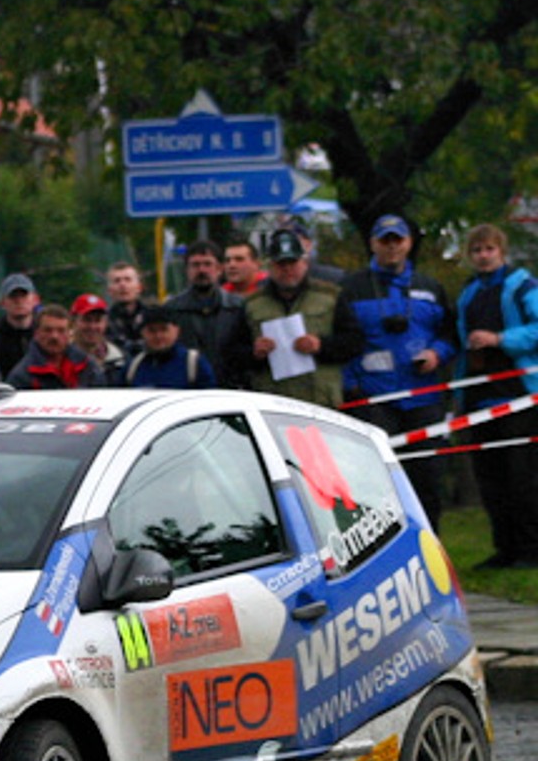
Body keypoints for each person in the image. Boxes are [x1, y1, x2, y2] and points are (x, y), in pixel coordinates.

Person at [340, 213, 456, 528]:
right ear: (372, 244)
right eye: (384, 240)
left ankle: (431, 544)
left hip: (423, 398)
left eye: (398, 240)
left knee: (428, 479)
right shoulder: (352, 288)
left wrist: (437, 353)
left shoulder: (430, 287)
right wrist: (352, 387)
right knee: (378, 482)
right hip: (374, 400)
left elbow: (451, 335)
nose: (391, 247)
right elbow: (343, 340)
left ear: (409, 243)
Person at [452, 223, 538, 568]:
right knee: (491, 479)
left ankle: (532, 549)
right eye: (476, 251)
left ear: (501, 251)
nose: (483, 256)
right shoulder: (468, 292)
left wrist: (499, 339)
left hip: (520, 395)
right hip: (479, 397)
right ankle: (505, 548)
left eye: (489, 249)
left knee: (524, 477)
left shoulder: (523, 286)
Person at [227, 229, 364, 410]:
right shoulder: (253, 304)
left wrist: (321, 345)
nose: (287, 269)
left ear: (305, 263)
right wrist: (254, 352)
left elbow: (355, 342)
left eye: (293, 262)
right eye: (280, 263)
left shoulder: (330, 296)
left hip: (322, 402)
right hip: (273, 404)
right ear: (270, 266)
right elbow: (231, 352)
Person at [163, 241, 247, 387]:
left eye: (208, 264)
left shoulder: (237, 307)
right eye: (195, 265)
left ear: (219, 269)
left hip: (231, 392)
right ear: (187, 269)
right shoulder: (172, 310)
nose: (202, 270)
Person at [7, 304, 104, 389]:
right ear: (36, 333)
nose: (54, 336)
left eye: (61, 330)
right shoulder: (22, 376)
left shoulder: (87, 366)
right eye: (48, 330)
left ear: (70, 333)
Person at [124, 304, 216, 389]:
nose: (158, 336)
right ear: (142, 333)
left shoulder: (194, 364)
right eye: (152, 331)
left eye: (164, 329)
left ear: (176, 330)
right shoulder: (133, 367)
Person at [0, 273, 41, 377]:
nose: (18, 301)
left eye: (24, 295)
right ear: (3, 303)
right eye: (13, 296)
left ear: (35, 300)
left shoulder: (44, 336)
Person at [69, 295, 128, 386]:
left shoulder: (121, 360)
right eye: (87, 320)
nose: (92, 327)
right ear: (73, 322)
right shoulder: (61, 359)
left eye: (98, 321)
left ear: (106, 323)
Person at [104, 263, 148, 353]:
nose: (122, 285)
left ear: (139, 287)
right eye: (117, 281)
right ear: (109, 290)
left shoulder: (151, 316)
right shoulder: (103, 321)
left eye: (128, 280)